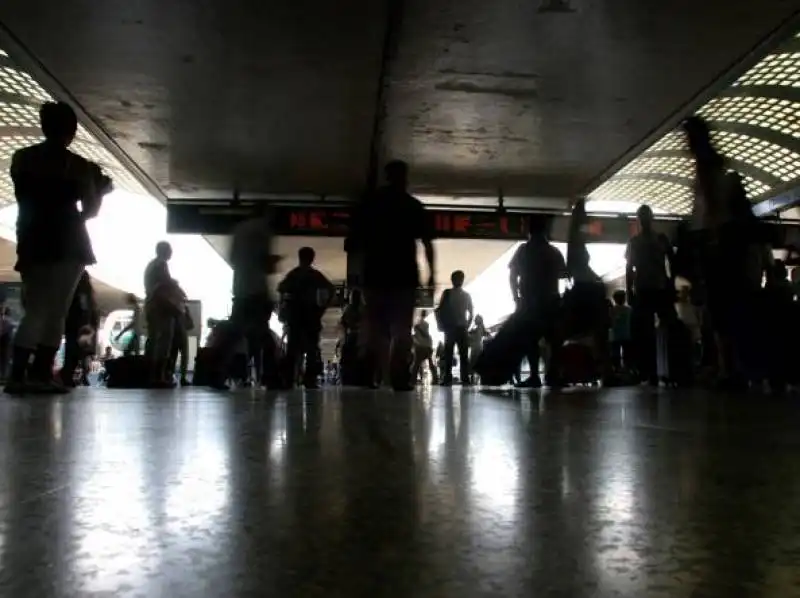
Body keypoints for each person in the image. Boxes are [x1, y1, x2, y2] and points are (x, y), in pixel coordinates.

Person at [5, 102, 109, 394]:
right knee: (55, 310)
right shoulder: (78, 166)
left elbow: (25, 194)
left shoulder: (22, 158)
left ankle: (18, 374)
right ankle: (39, 374)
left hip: (31, 237)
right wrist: (98, 189)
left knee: (35, 307)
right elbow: (89, 210)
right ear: (72, 130)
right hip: (68, 240)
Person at [346, 160, 435, 391]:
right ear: (405, 177)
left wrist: (356, 275)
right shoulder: (413, 206)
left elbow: (354, 241)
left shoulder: (372, 204)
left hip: (375, 273)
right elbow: (426, 243)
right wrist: (431, 276)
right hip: (404, 275)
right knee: (402, 328)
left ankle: (370, 374)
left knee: (375, 327)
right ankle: (398, 376)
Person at [509, 214, 567, 388]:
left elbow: (513, 276)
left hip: (529, 301)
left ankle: (534, 376)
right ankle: (553, 374)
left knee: (531, 339)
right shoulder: (553, 251)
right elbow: (564, 274)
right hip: (551, 300)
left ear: (529, 230)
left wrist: (516, 298)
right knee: (553, 340)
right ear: (545, 231)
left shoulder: (523, 250)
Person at [625, 204, 676, 384]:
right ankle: (668, 370)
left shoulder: (634, 242)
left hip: (644, 288)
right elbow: (672, 260)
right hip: (658, 287)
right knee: (666, 327)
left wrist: (629, 290)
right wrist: (671, 282)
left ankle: (650, 371)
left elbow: (629, 268)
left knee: (644, 332)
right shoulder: (661, 239)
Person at [278, 246, 335, 389]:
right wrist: (322, 308)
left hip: (295, 316)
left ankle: (289, 379)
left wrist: (284, 307)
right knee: (312, 349)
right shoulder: (315, 275)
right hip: (311, 316)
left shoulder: (293, 274)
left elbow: (281, 288)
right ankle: (310, 380)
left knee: (292, 348)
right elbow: (331, 289)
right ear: (312, 258)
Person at [59, 271, 98, 387]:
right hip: (83, 330)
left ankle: (67, 375)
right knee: (78, 353)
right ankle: (68, 375)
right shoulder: (88, 296)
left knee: (71, 352)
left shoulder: (74, 293)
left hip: (74, 327)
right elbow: (90, 314)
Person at [436, 270, 474, 385]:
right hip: (461, 328)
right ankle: (465, 378)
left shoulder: (447, 293)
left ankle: (447, 378)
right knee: (463, 354)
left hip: (450, 328)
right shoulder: (466, 295)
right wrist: (467, 325)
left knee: (449, 353)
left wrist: (440, 325)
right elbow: (471, 313)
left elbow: (439, 310)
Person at [412, 310, 437, 385]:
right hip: (428, 345)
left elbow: (416, 335)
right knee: (431, 363)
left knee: (416, 364)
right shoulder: (426, 324)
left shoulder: (417, 324)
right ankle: (435, 379)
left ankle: (413, 380)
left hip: (420, 346)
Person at [609, 290, 632, 372]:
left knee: (616, 354)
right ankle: (627, 369)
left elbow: (610, 323)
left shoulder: (612, 310)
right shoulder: (629, 309)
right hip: (627, 334)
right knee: (627, 354)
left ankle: (617, 369)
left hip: (615, 336)